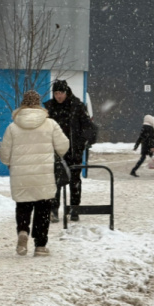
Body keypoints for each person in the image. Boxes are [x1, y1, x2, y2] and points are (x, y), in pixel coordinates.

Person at [0, 90, 69, 257]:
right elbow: (63, 146)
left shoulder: (13, 127)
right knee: (43, 208)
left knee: (23, 205)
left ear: (23, 105)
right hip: (43, 174)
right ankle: (40, 245)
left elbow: (3, 154)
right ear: (39, 105)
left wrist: (11, 163)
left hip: (21, 174)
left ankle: (23, 232)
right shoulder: (50, 124)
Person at [44, 80, 95, 222]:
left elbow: (88, 127)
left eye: (60, 93)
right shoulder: (48, 108)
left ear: (66, 93)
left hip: (74, 151)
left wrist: (82, 143)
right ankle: (53, 210)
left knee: (75, 181)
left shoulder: (77, 106)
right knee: (55, 181)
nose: (58, 96)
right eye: (55, 93)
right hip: (55, 151)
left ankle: (74, 209)